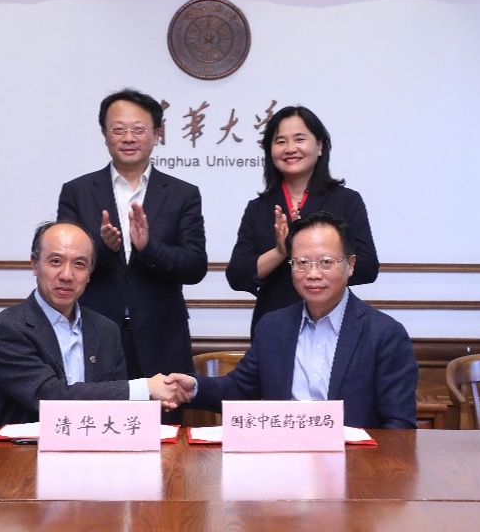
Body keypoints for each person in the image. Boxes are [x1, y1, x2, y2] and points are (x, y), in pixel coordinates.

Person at [172, 212, 416, 429]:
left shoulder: (384, 334)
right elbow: (240, 389)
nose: (313, 274)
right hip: (283, 457)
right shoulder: (273, 326)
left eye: (326, 262)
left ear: (350, 265)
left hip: (354, 461)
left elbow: (399, 425)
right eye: (301, 263)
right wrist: (193, 388)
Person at [56, 88, 208, 382]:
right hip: (94, 334)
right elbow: (65, 266)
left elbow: (195, 266)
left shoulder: (183, 194)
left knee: (165, 413)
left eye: (138, 130)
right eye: (118, 129)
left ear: (157, 134)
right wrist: (102, 249)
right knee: (97, 411)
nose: (128, 138)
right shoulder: (77, 192)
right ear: (104, 134)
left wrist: (149, 248)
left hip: (162, 338)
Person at [0, 220, 189, 427]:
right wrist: (145, 389)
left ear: (90, 273)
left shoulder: (106, 329)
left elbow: (117, 403)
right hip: (26, 447)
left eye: (79, 264)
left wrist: (155, 399)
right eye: (56, 261)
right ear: (35, 264)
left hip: (98, 444)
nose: (67, 275)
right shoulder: (6, 329)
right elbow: (48, 397)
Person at [226, 105, 380, 336]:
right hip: (274, 325)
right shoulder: (258, 208)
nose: (290, 149)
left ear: (319, 146)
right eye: (280, 141)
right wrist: (281, 251)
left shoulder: (346, 201)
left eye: (299, 139)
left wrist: (321, 262)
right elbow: (237, 276)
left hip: (334, 323)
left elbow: (367, 267)